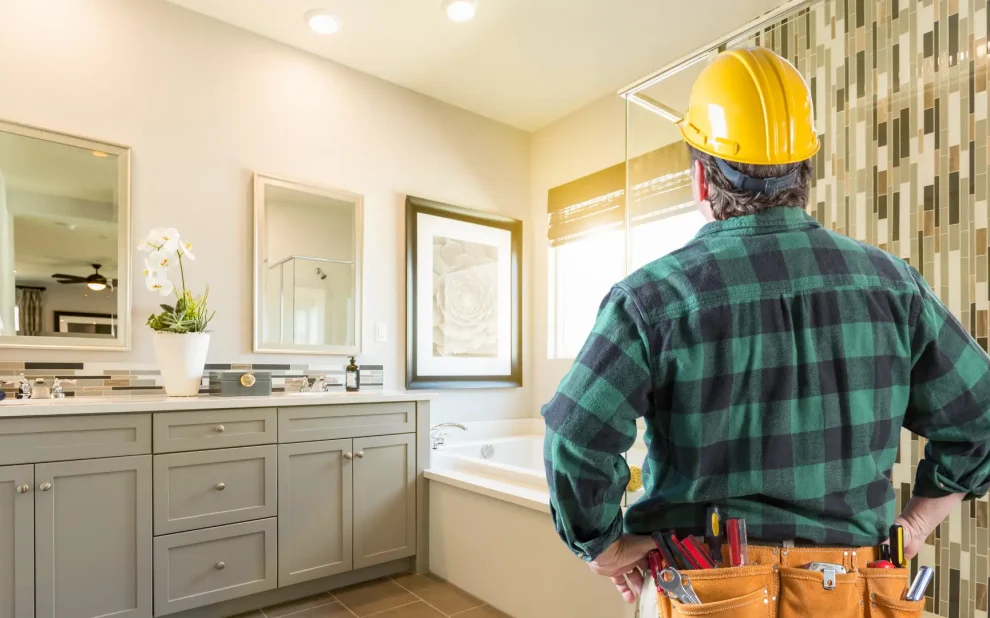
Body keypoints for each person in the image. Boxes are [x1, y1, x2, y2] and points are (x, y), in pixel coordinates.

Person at [541, 47, 990, 614]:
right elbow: (982, 417)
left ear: (702, 178)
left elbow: (576, 437)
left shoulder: (650, 299)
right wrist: (918, 522)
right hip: (853, 589)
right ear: (805, 172)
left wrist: (604, 545)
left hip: (700, 587)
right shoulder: (893, 289)